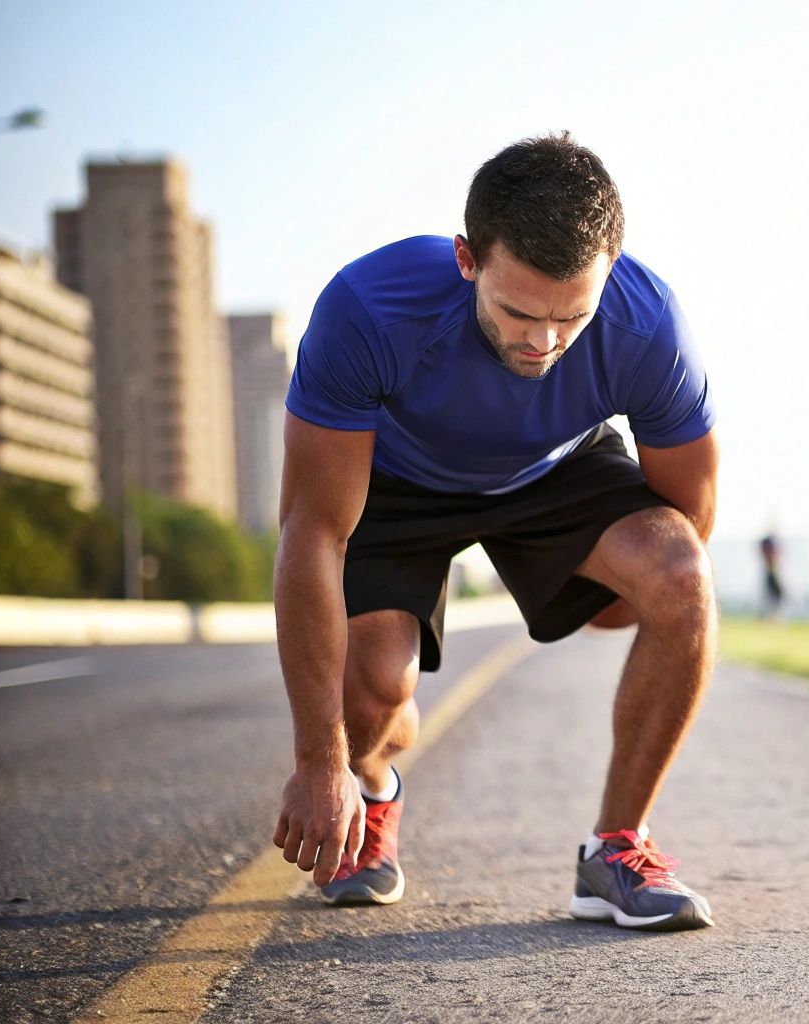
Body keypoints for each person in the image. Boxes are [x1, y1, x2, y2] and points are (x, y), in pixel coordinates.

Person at [273, 133, 717, 931]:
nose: (542, 342)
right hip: (398, 482)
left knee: (682, 576)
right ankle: (377, 787)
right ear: (467, 259)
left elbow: (690, 516)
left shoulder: (649, 326)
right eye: (518, 312)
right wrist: (321, 758)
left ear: (609, 276)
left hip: (555, 470)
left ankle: (615, 850)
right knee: (374, 698)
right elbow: (310, 535)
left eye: (571, 318)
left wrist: (635, 601)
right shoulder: (368, 309)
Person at [759, 528, 785, 621]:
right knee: (770, 596)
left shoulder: (774, 541)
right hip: (770, 571)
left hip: (775, 570)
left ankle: (774, 617)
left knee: (777, 595)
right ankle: (768, 618)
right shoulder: (767, 541)